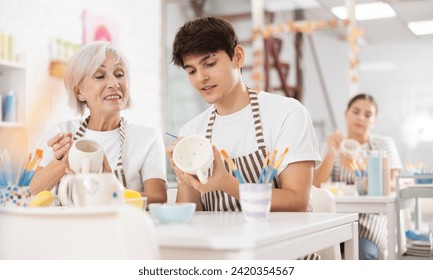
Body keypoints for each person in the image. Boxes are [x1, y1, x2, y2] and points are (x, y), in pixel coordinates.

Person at [167, 16, 320, 214]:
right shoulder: (191, 132)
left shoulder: (287, 114)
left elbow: (297, 201)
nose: (201, 78)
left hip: (280, 240)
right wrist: (183, 174)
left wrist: (228, 184)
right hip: (221, 241)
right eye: (191, 71)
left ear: (238, 56)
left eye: (210, 63)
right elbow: (191, 214)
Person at [30, 41, 167, 204]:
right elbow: (29, 192)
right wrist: (62, 163)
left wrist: (111, 185)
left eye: (119, 74)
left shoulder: (147, 138)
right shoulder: (61, 133)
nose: (114, 84)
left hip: (120, 228)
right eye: (100, 76)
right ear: (79, 91)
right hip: (68, 228)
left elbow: (159, 199)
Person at [313, 93, 402, 260]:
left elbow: (391, 185)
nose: (361, 118)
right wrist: (332, 154)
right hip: (335, 219)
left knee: (362, 252)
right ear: (346, 114)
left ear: (374, 121)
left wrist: (356, 169)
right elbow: (316, 184)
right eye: (355, 112)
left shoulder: (383, 144)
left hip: (370, 222)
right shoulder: (331, 144)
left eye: (368, 115)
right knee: (318, 252)